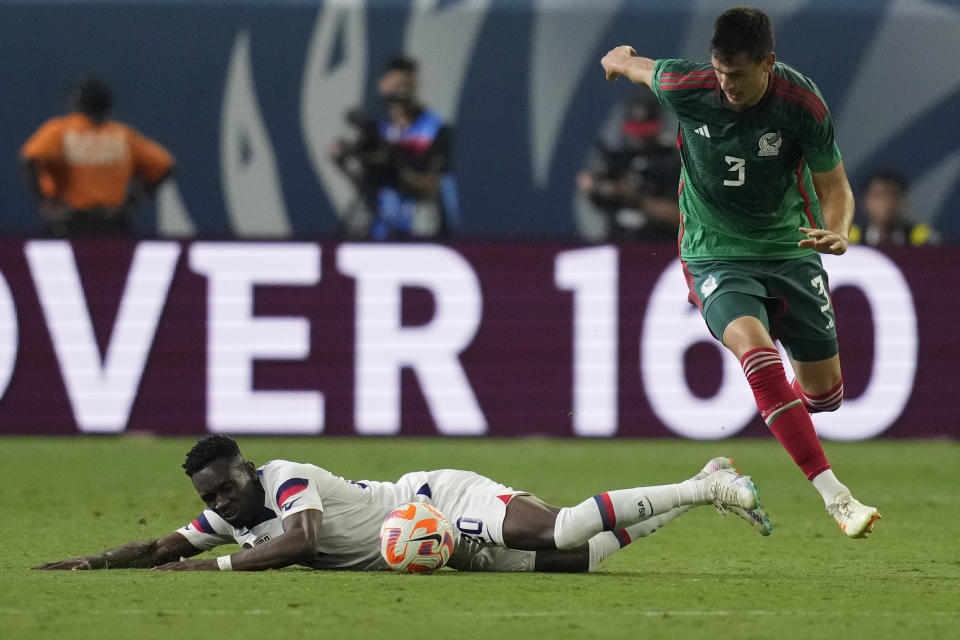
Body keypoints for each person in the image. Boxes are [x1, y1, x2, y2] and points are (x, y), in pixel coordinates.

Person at [600, 6, 880, 538]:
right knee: (757, 354)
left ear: (768, 64)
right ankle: (837, 497)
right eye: (720, 72)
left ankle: (787, 404)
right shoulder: (687, 85)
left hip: (789, 246)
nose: (727, 85)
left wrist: (839, 230)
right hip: (714, 252)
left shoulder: (802, 104)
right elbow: (641, 67)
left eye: (739, 75)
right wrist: (621, 59)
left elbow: (835, 187)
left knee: (825, 397)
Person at [33, 435, 769, 573]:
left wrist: (219, 569)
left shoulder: (286, 477)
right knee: (580, 560)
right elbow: (163, 548)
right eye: (210, 496)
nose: (221, 499)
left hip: (434, 502)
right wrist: (88, 564)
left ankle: (707, 484)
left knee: (566, 526)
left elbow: (304, 542)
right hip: (429, 550)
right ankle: (696, 494)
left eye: (226, 484)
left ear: (246, 468)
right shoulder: (232, 512)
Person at [20, 77, 175, 237]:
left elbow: (30, 159)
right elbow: (164, 165)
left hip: (70, 221)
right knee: (111, 261)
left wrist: (46, 201)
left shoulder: (60, 131)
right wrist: (132, 200)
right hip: (111, 220)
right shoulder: (122, 135)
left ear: (77, 104)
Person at [330, 56, 459, 241]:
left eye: (406, 84)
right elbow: (369, 188)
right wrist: (342, 164)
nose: (400, 91)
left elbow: (433, 187)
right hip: (380, 234)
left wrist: (398, 169)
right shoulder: (375, 131)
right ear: (383, 85)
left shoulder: (435, 129)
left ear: (416, 85)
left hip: (422, 234)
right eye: (396, 84)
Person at [576, 92, 681, 241]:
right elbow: (591, 187)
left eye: (645, 130)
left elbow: (680, 217)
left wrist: (635, 197)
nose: (640, 137)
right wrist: (598, 187)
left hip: (659, 246)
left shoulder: (671, 161)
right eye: (636, 129)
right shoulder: (618, 158)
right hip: (619, 244)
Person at [850, 171, 939, 246]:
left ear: (903, 201)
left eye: (893, 195)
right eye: (878, 195)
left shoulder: (923, 238)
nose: (886, 203)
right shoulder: (851, 239)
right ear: (865, 201)